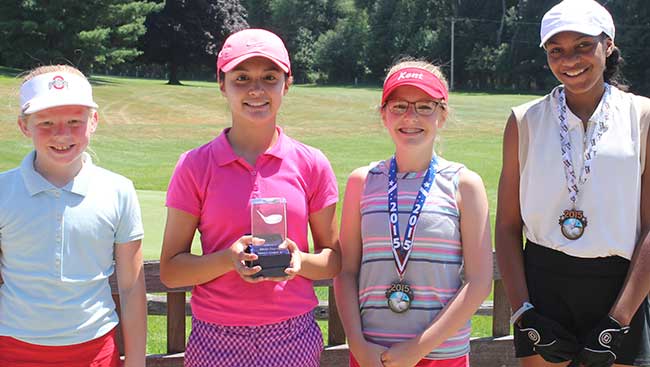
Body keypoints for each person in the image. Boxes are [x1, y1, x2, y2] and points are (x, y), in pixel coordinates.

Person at [159, 28, 341, 367]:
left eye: (269, 77)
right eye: (241, 77)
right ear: (222, 83)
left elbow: (333, 259)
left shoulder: (312, 163)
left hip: (292, 334)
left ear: (286, 84)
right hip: (216, 336)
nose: (256, 89)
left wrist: (299, 260)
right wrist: (227, 260)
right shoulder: (195, 165)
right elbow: (171, 270)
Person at [496, 1, 650, 366]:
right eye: (556, 50)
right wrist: (524, 314)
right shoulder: (524, 121)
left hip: (621, 289)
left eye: (583, 45)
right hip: (543, 291)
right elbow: (506, 227)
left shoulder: (642, 117)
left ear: (608, 45)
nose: (570, 60)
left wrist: (620, 321)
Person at [334, 59, 493, 367]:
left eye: (424, 106)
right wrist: (357, 343)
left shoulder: (464, 184)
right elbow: (347, 271)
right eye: (399, 106)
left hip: (440, 353)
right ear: (383, 114)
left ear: (442, 114)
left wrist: (418, 348)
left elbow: (479, 281)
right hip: (372, 353)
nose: (410, 116)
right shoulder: (362, 182)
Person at [0, 65, 147, 367]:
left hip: (95, 352)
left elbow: (132, 289)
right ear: (24, 125)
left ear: (93, 121)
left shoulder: (118, 190)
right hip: (12, 348)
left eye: (74, 121)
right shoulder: (4, 190)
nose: (62, 134)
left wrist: (135, 362)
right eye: (46, 122)